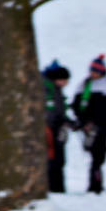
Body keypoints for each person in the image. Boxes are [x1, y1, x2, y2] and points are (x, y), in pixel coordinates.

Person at [71, 55, 106, 194]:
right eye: (91, 70)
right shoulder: (85, 85)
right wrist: (83, 122)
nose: (92, 73)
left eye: (95, 71)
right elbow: (76, 106)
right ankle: (95, 185)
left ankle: (96, 184)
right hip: (90, 128)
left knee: (100, 156)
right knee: (96, 156)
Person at [43, 61, 73, 193]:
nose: (66, 83)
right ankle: (54, 188)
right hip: (50, 129)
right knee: (53, 159)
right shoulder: (48, 89)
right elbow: (51, 112)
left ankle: (58, 187)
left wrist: (68, 121)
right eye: (65, 80)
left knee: (59, 160)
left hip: (56, 128)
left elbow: (60, 111)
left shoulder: (56, 89)